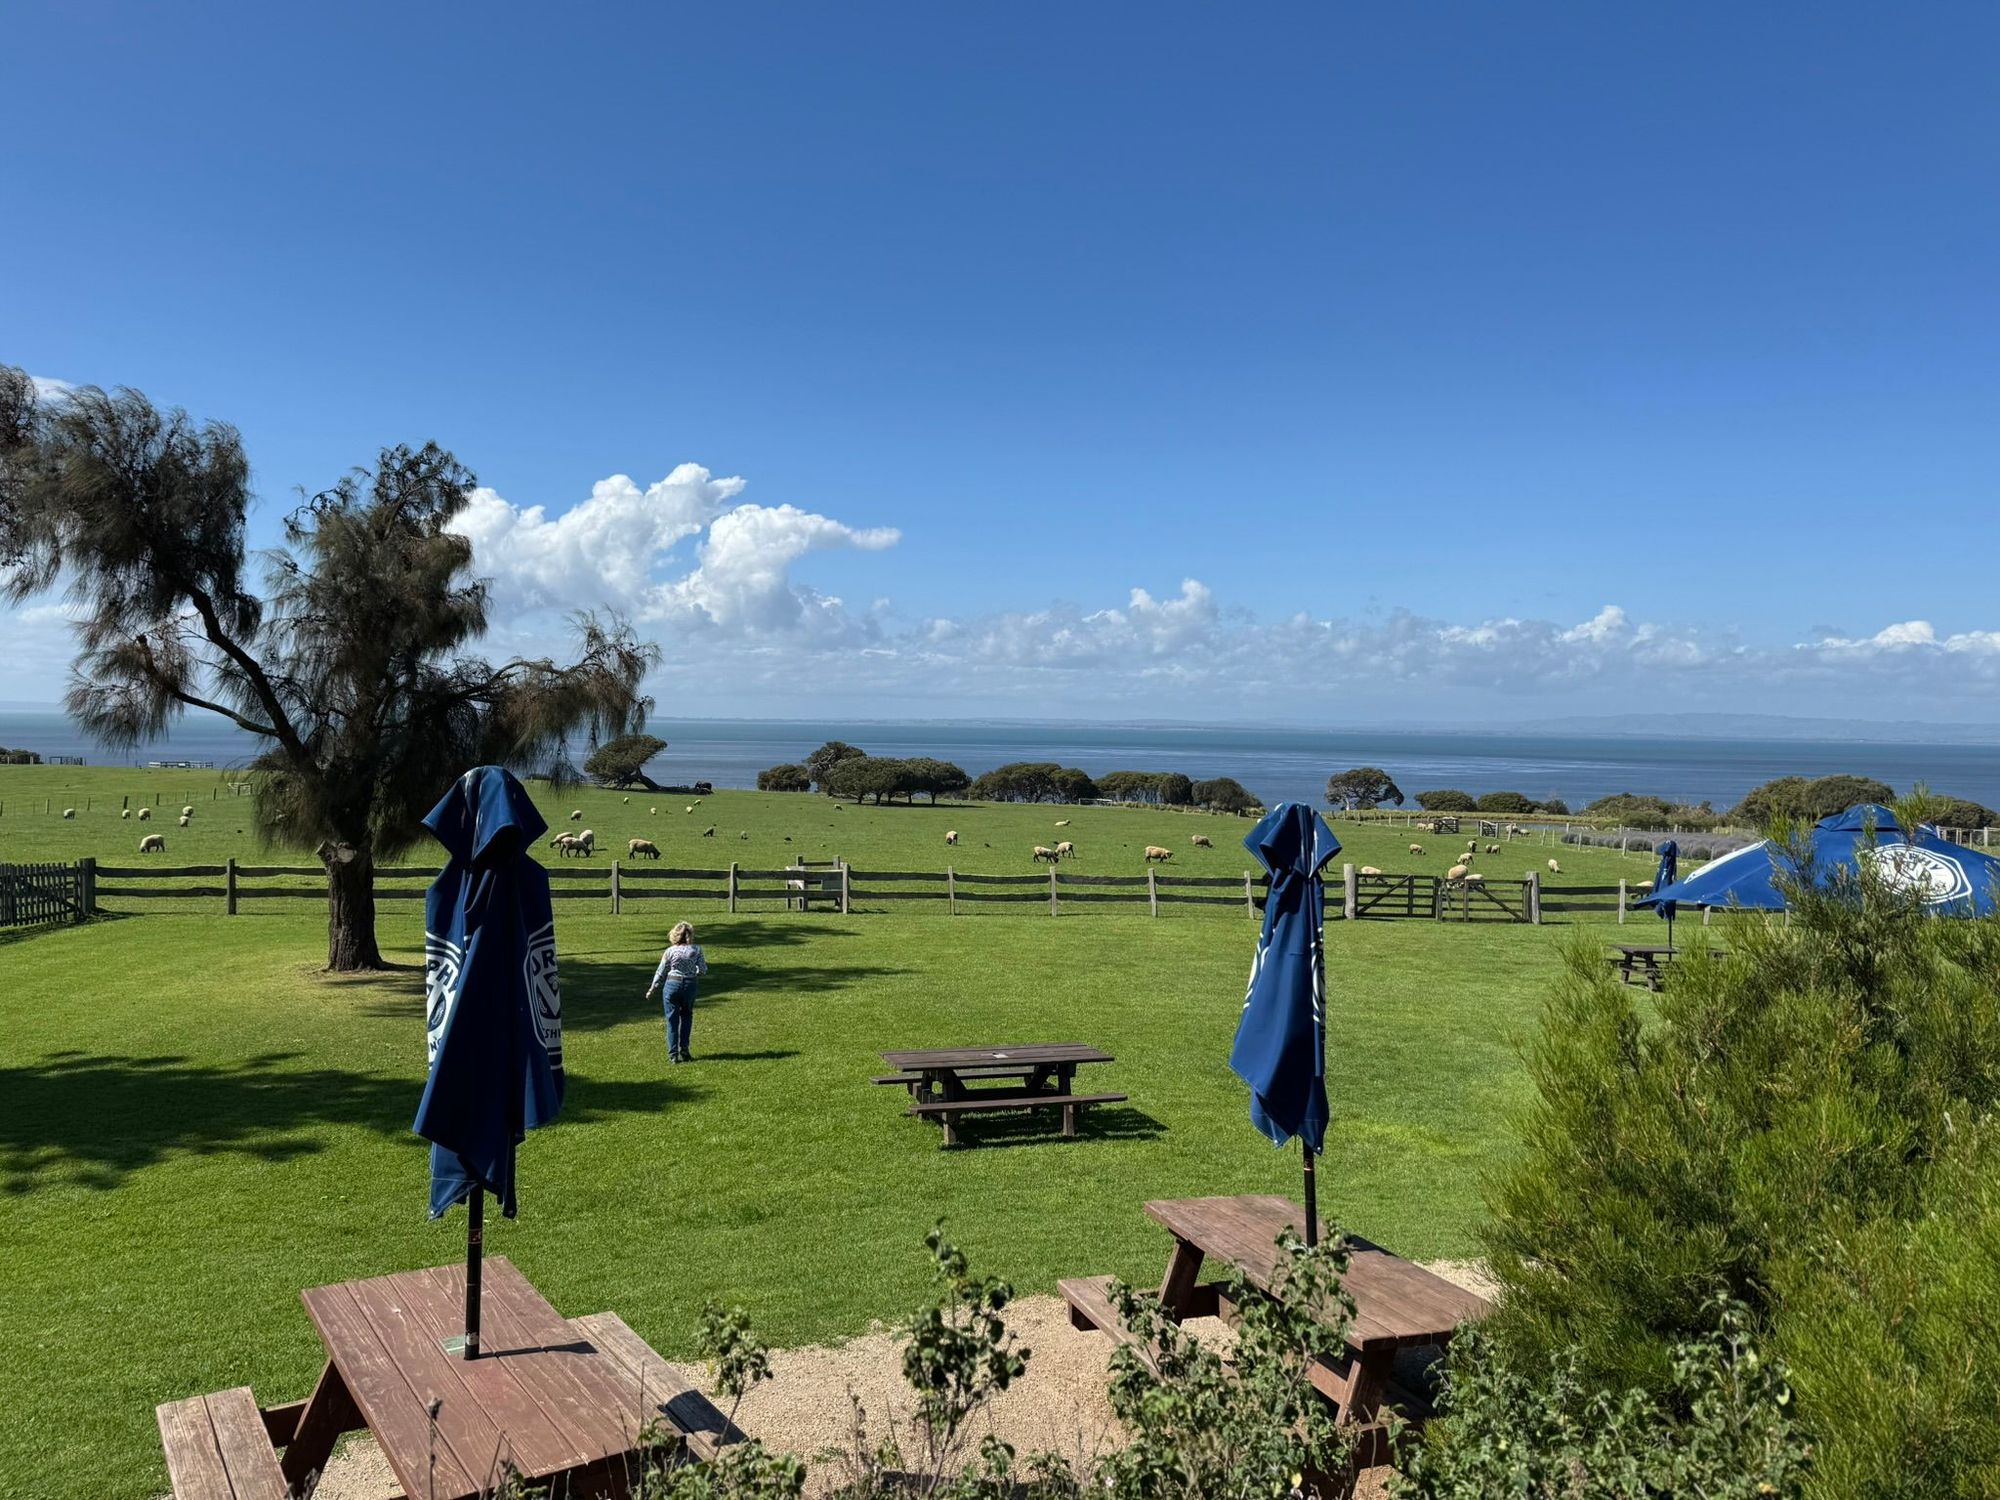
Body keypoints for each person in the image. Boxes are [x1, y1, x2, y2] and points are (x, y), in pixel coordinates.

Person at [646, 921, 709, 1063]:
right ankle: (684, 1050)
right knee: (686, 1016)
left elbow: (661, 971)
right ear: (690, 935)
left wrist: (652, 988)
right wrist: (694, 971)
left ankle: (673, 1055)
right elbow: (703, 970)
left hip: (672, 985)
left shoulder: (669, 951)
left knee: (672, 1019)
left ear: (675, 935)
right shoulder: (696, 949)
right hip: (690, 985)